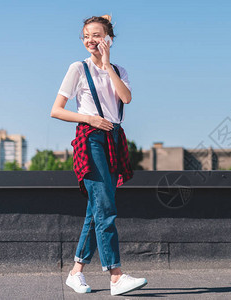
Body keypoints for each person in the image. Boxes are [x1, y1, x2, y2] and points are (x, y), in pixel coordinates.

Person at [50, 15, 147, 296]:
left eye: (97, 35)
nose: (91, 40)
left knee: (97, 209)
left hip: (114, 139)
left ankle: (75, 272)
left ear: (109, 40)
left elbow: (126, 98)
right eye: (86, 36)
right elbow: (56, 109)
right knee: (105, 207)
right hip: (90, 138)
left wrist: (106, 66)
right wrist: (90, 119)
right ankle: (115, 276)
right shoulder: (77, 68)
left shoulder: (118, 69)